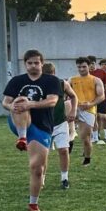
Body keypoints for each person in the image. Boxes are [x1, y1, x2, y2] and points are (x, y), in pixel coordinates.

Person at [2, 50, 61, 211]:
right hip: (19, 122)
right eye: (30, 63)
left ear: (42, 63)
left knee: (37, 168)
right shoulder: (17, 81)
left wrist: (31, 104)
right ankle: (22, 138)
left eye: (36, 62)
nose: (33, 66)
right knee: (20, 100)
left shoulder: (51, 80)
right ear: (25, 64)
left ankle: (33, 203)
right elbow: (5, 102)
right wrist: (12, 106)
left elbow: (52, 101)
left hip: (42, 126)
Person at [43, 62, 78, 190]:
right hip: (43, 124)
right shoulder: (39, 85)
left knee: (63, 150)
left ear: (54, 74)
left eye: (50, 75)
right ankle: (41, 178)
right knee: (43, 154)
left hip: (60, 122)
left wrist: (73, 110)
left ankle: (64, 178)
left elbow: (74, 96)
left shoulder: (62, 83)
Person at [70, 57, 105, 165]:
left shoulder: (95, 80)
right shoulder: (72, 80)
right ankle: (69, 142)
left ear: (89, 66)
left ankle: (87, 158)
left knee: (85, 137)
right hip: (74, 108)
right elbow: (65, 93)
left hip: (88, 110)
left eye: (84, 66)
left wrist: (90, 104)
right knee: (66, 130)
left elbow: (101, 96)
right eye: (79, 67)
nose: (81, 69)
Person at [87, 55, 106, 145]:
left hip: (102, 98)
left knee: (103, 117)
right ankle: (95, 136)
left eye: (92, 64)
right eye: (89, 64)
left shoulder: (101, 72)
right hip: (91, 99)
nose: (91, 66)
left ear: (95, 63)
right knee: (94, 118)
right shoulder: (85, 74)